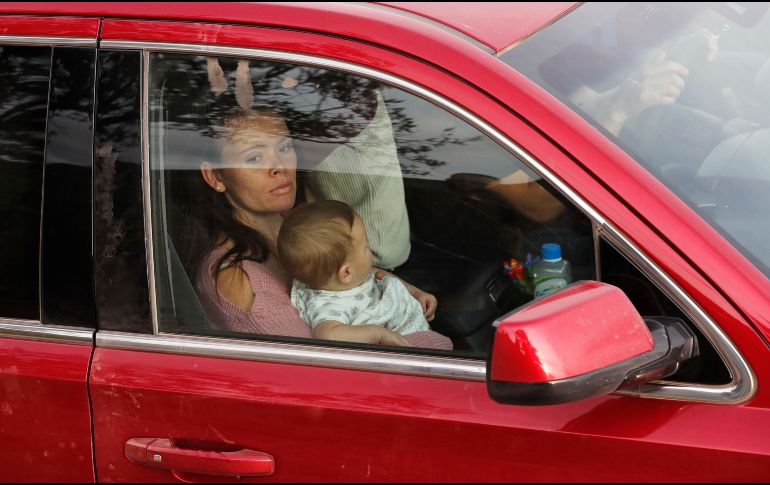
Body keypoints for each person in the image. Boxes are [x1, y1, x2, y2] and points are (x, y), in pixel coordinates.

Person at [189, 105, 453, 350]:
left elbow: (347, 269)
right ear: (215, 177)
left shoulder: (297, 226)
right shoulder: (237, 278)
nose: (279, 167)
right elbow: (318, 371)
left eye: (283, 148)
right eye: (255, 157)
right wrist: (433, 343)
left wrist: (407, 294)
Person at [277, 200, 438, 346]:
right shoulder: (328, 305)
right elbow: (327, 333)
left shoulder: (356, 274)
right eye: (366, 247)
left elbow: (381, 275)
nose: (371, 250)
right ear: (346, 272)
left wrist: (416, 293)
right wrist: (377, 335)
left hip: (415, 318)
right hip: (408, 341)